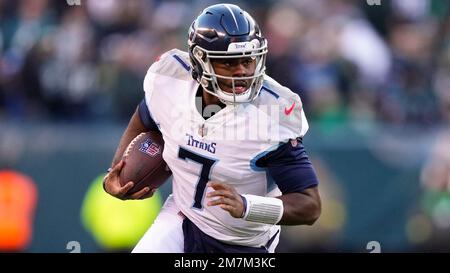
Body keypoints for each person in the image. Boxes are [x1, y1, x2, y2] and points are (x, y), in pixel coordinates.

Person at [103, 3, 321, 253]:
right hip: (182, 221)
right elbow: (143, 119)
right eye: (229, 63)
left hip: (243, 245)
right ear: (200, 60)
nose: (242, 72)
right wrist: (118, 170)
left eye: (248, 60)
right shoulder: (171, 80)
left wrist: (248, 206)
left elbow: (310, 205)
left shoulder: (271, 113)